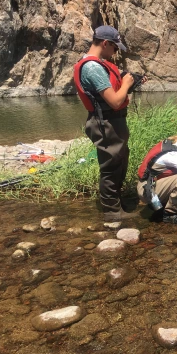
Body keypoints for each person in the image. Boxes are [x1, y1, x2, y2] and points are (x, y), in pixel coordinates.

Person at [73, 25, 145, 221]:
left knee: (119, 161)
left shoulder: (96, 64)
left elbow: (110, 95)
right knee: (111, 166)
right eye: (115, 47)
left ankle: (116, 203)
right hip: (106, 123)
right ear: (105, 43)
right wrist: (127, 84)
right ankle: (112, 212)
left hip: (112, 121)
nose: (115, 52)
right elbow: (114, 101)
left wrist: (128, 84)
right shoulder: (93, 67)